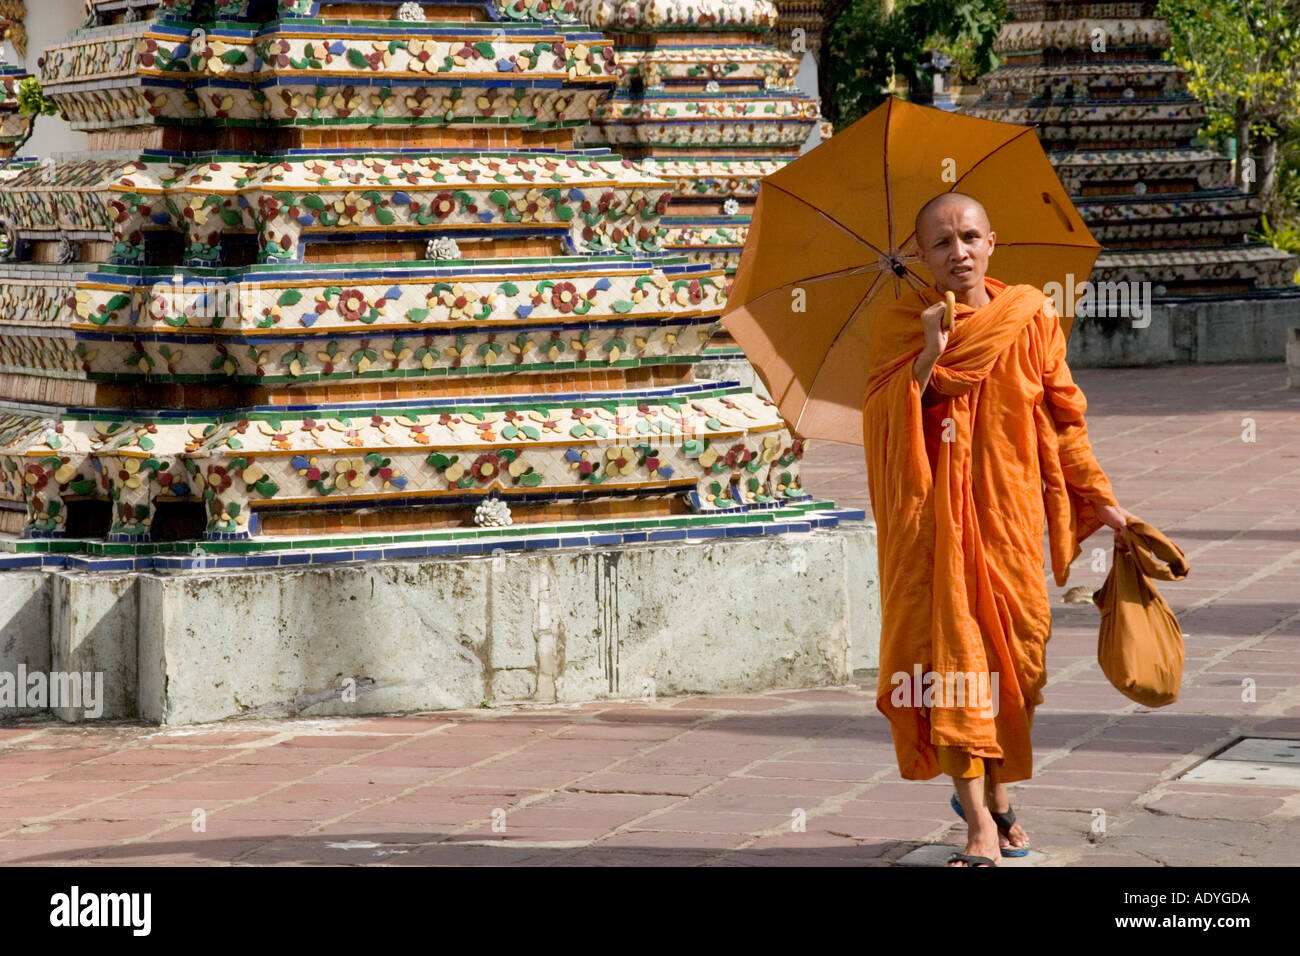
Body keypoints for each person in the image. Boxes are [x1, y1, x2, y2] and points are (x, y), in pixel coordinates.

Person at [860, 192, 1138, 867]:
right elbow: (884, 419)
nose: (958, 252)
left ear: (992, 243)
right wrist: (930, 353)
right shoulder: (902, 324)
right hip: (938, 532)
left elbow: (1064, 417)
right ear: (921, 256)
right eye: (942, 242)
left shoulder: (1030, 317)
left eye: (969, 237)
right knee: (954, 666)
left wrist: (1098, 499)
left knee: (1019, 666)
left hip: (1010, 522)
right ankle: (979, 823)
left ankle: (999, 793)